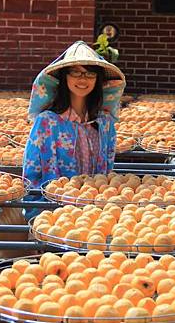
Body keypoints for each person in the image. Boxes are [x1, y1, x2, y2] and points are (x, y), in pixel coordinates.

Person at [22, 41, 125, 218]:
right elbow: (32, 176)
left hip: (96, 215)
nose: (82, 79)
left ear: (98, 79)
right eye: (75, 72)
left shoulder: (104, 123)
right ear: (65, 77)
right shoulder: (47, 122)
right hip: (56, 217)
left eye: (90, 73)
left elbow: (107, 173)